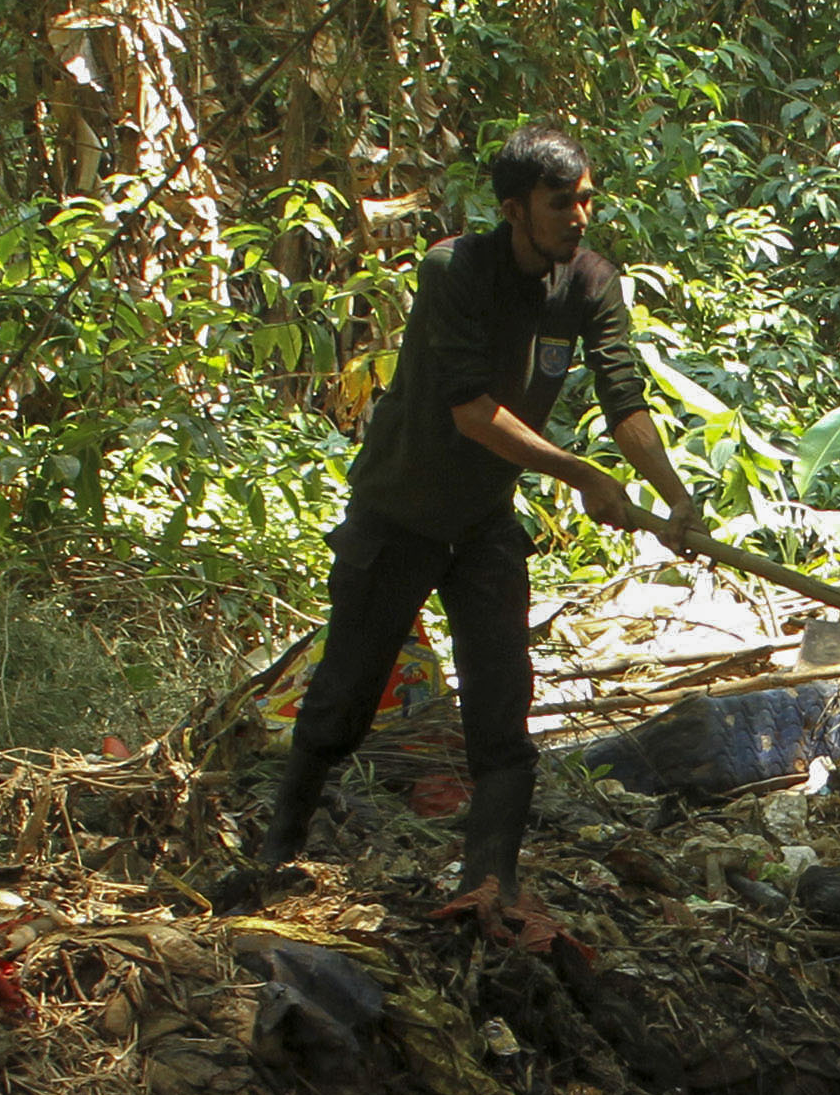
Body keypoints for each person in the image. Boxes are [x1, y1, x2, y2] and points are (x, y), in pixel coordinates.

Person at [251, 124, 706, 904]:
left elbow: (622, 399)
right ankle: (275, 854)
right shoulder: (454, 271)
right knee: (341, 702)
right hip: (398, 516)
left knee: (503, 718)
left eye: (587, 200)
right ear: (513, 209)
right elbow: (473, 413)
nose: (579, 216)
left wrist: (674, 497)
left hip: (484, 524)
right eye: (560, 203)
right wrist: (581, 475)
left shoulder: (593, 282)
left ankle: (487, 886)